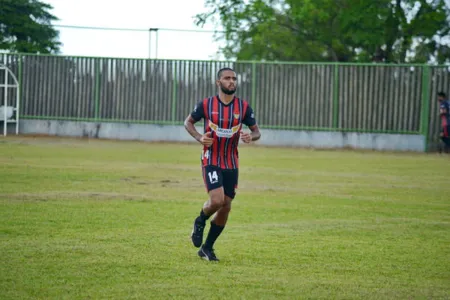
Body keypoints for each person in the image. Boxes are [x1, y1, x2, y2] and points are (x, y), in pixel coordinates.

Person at [183, 67, 261, 261]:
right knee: (216, 200)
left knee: (226, 206)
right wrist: (200, 137)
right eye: (227, 78)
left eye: (234, 78)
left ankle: (207, 248)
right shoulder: (206, 104)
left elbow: (257, 131)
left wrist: (250, 136)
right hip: (211, 159)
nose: (231, 81)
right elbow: (188, 123)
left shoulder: (243, 107)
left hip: (231, 162)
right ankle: (200, 220)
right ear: (219, 82)